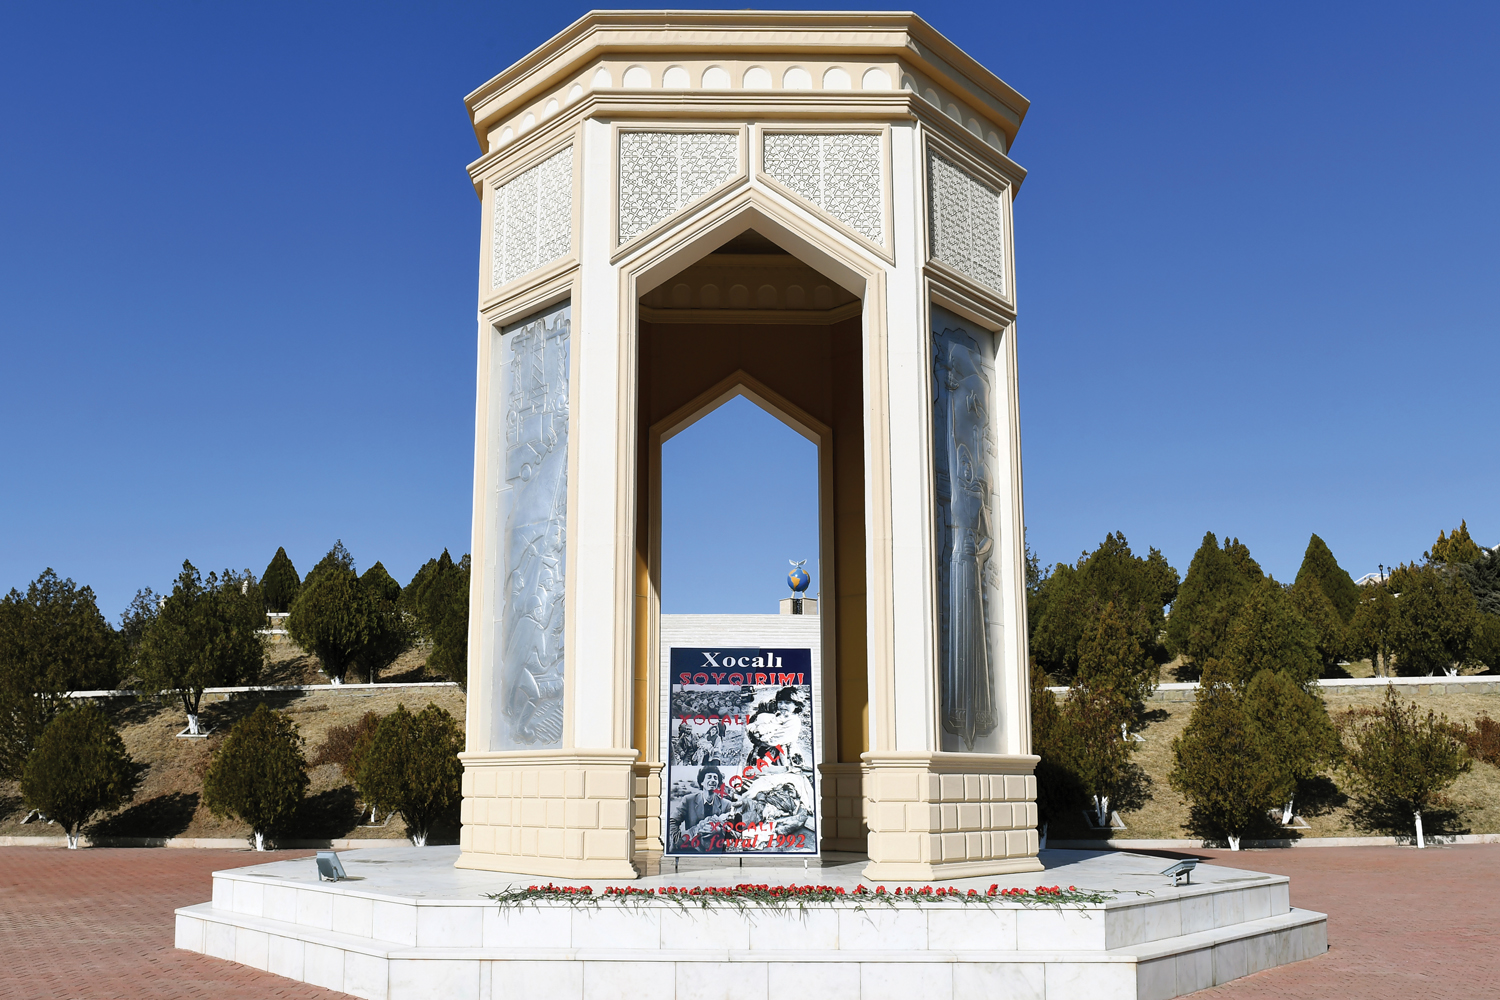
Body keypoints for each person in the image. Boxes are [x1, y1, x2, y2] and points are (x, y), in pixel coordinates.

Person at [668, 765, 731, 852]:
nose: (713, 780)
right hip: (691, 849)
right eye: (709, 777)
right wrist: (678, 840)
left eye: (715, 778)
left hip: (715, 851)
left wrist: (719, 830)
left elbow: (732, 830)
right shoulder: (688, 800)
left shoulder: (726, 804)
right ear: (702, 782)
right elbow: (672, 821)